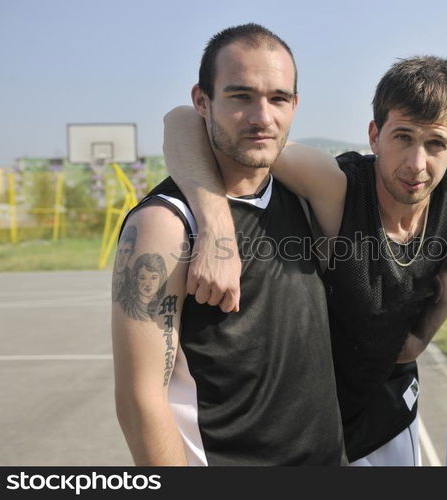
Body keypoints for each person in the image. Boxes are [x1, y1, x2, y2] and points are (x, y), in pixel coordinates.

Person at [163, 54, 447, 464]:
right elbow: (184, 119)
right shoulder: (337, 187)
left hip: (387, 418)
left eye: (435, 144)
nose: (416, 164)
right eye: (402, 138)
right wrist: (216, 225)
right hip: (306, 425)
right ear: (374, 135)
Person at [111, 23, 345, 466]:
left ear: (295, 105)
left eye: (278, 98)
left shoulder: (307, 195)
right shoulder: (165, 224)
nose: (262, 117)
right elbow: (139, 400)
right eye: (240, 97)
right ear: (202, 101)